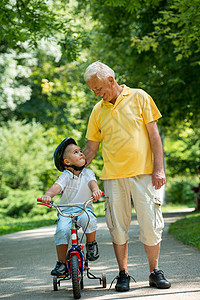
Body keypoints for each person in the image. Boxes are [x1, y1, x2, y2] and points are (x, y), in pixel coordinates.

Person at [83, 61, 171, 292]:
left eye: (98, 88)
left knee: (150, 225)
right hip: (112, 177)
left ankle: (155, 272)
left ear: (111, 80)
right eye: (92, 89)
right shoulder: (97, 110)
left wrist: (159, 169)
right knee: (117, 228)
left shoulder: (140, 97)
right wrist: (73, 166)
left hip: (143, 174)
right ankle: (123, 274)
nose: (96, 93)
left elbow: (154, 136)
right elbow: (91, 148)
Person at [40, 137, 102, 276]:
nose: (81, 153)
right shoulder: (66, 175)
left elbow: (93, 184)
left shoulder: (88, 173)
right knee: (61, 230)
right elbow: (56, 187)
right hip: (66, 211)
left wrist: (96, 191)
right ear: (67, 162)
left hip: (84, 208)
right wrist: (48, 195)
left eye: (81, 151)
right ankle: (61, 263)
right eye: (76, 152)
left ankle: (91, 245)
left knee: (89, 220)